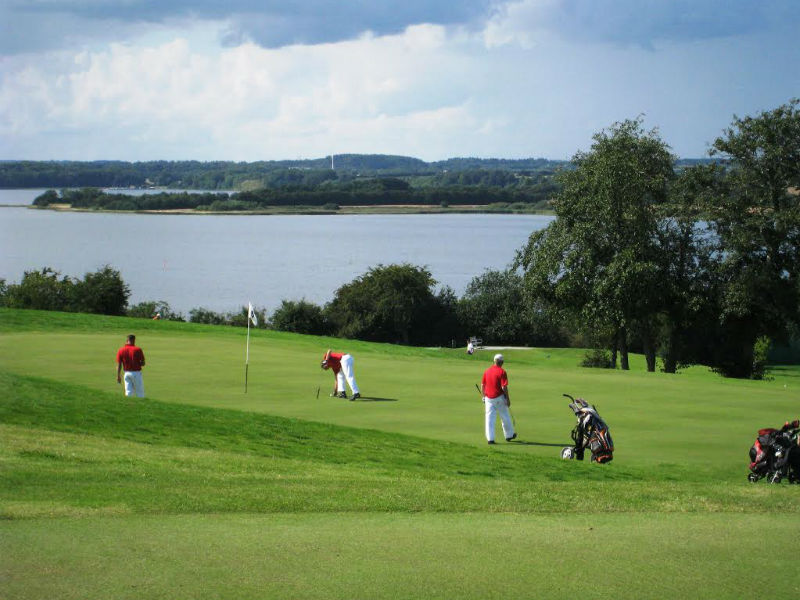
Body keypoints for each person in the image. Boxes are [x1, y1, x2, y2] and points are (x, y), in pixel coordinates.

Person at [481, 353, 516, 444]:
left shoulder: (487, 371)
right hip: (499, 398)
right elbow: (504, 387)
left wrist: (483, 396)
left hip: (488, 399)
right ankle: (509, 435)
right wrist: (508, 399)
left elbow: (483, 385)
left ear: (494, 361)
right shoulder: (502, 372)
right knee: (505, 417)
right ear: (502, 362)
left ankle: (490, 439)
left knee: (489, 419)